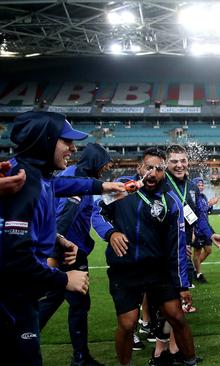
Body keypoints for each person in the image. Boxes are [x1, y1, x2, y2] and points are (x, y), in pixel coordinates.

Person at [0, 111, 123, 366]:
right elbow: (15, 258)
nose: (73, 148)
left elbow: (61, 187)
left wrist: (55, 238)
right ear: (44, 140)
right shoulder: (25, 182)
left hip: (21, 295)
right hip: (12, 297)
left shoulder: (36, 176)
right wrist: (64, 278)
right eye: (66, 141)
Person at [92, 147, 199, 366]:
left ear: (164, 172)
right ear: (140, 167)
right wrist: (110, 233)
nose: (153, 173)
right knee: (128, 323)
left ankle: (190, 361)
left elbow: (176, 247)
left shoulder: (170, 200)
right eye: (149, 167)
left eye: (159, 169)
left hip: (157, 270)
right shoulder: (122, 187)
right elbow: (97, 212)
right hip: (125, 267)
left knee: (177, 317)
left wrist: (182, 285)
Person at [38, 143, 113, 366]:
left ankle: (22, 339)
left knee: (53, 298)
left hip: (67, 248)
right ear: (95, 161)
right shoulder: (77, 180)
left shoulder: (74, 176)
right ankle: (80, 359)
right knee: (79, 305)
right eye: (104, 164)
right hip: (70, 252)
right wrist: (58, 251)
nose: (105, 170)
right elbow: (65, 217)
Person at [165, 145, 220, 286]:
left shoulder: (192, 188)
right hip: (162, 251)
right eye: (174, 162)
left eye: (183, 161)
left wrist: (210, 235)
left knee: (183, 293)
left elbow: (198, 216)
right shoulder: (160, 184)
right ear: (166, 163)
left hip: (184, 250)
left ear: (188, 162)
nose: (179, 165)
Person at [190, 177, 219, 284]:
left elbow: (206, 212)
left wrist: (211, 205)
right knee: (197, 252)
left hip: (205, 226)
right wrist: (193, 229)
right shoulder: (192, 198)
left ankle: (193, 268)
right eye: (199, 185)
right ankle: (198, 274)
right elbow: (192, 213)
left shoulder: (203, 196)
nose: (201, 187)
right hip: (197, 228)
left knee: (208, 250)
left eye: (202, 185)